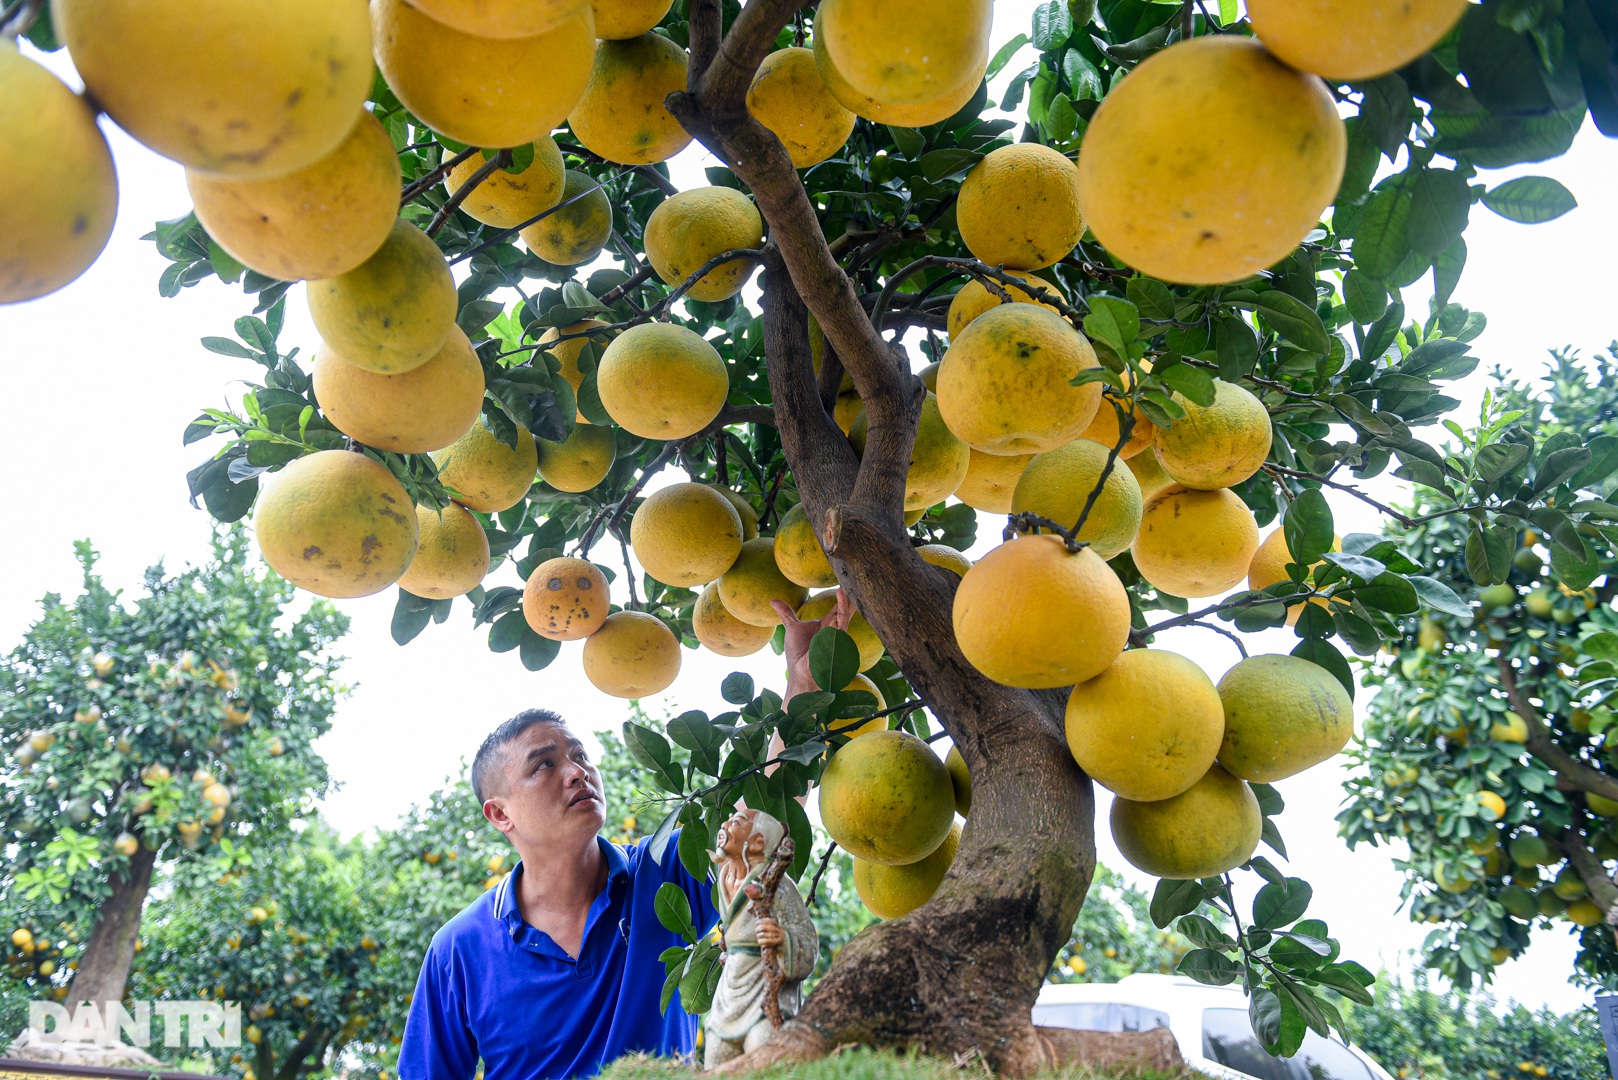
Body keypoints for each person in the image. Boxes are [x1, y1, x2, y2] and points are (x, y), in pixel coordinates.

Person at [397, 591, 854, 1079]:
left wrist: (801, 685)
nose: (576, 772)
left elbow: (761, 819)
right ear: (500, 815)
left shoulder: (661, 874)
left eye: (579, 756)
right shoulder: (459, 949)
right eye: (544, 765)